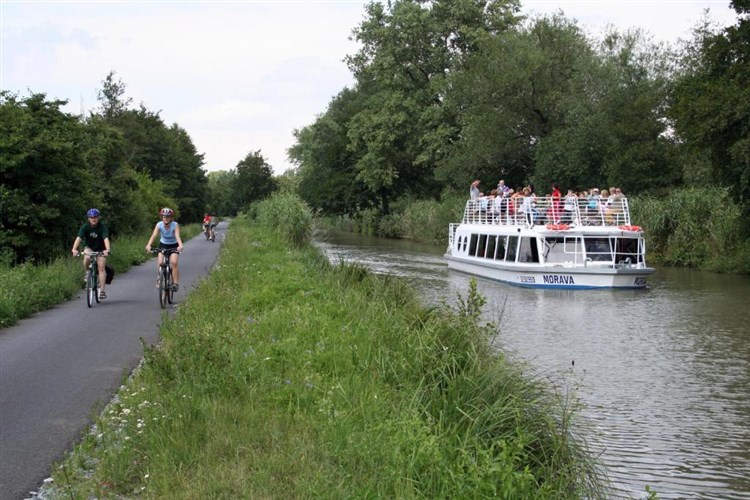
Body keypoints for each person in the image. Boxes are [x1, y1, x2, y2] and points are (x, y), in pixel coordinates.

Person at [71, 208, 111, 300]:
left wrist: (107, 249)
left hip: (101, 249)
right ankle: (87, 272)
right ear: (88, 218)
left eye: (95, 217)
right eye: (91, 217)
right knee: (87, 257)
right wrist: (74, 249)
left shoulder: (102, 227)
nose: (94, 219)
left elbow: (106, 239)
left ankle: (102, 291)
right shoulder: (85, 227)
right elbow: (79, 238)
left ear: (98, 218)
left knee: (101, 268)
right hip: (89, 247)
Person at [145, 208, 184, 292]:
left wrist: (180, 245)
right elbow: (154, 235)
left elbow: (177, 235)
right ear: (162, 217)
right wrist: (149, 245)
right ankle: (159, 279)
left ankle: (175, 283)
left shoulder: (175, 225)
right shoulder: (159, 225)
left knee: (174, 262)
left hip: (174, 245)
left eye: (168, 217)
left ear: (171, 218)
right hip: (163, 245)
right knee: (160, 262)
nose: (165, 218)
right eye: (164, 217)